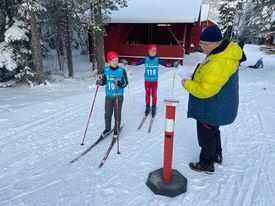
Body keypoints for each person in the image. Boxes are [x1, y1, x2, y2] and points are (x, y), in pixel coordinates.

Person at [181, 25, 246, 174]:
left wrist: (187, 83)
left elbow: (206, 90)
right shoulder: (220, 53)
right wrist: (195, 76)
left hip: (212, 106)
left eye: (205, 44)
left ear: (217, 42)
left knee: (206, 135)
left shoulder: (220, 61)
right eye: (201, 43)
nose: (202, 47)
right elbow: (211, 78)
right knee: (213, 131)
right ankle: (216, 155)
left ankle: (206, 164)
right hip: (218, 104)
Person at [96, 51, 128, 138]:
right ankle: (107, 128)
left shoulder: (122, 71)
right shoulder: (106, 70)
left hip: (118, 96)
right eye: (113, 60)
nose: (115, 62)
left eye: (117, 60)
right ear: (109, 61)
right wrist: (100, 82)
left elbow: (126, 83)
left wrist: (119, 84)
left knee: (117, 114)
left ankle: (116, 129)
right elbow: (103, 80)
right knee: (107, 114)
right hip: (109, 97)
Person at [135, 44, 171, 117]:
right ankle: (148, 106)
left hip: (154, 81)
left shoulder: (157, 59)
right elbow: (137, 63)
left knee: (154, 94)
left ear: (156, 51)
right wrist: (128, 63)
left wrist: (173, 64)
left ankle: (154, 106)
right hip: (147, 80)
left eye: (154, 51)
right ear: (148, 51)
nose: (153, 52)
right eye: (151, 51)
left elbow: (166, 64)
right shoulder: (146, 59)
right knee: (147, 93)